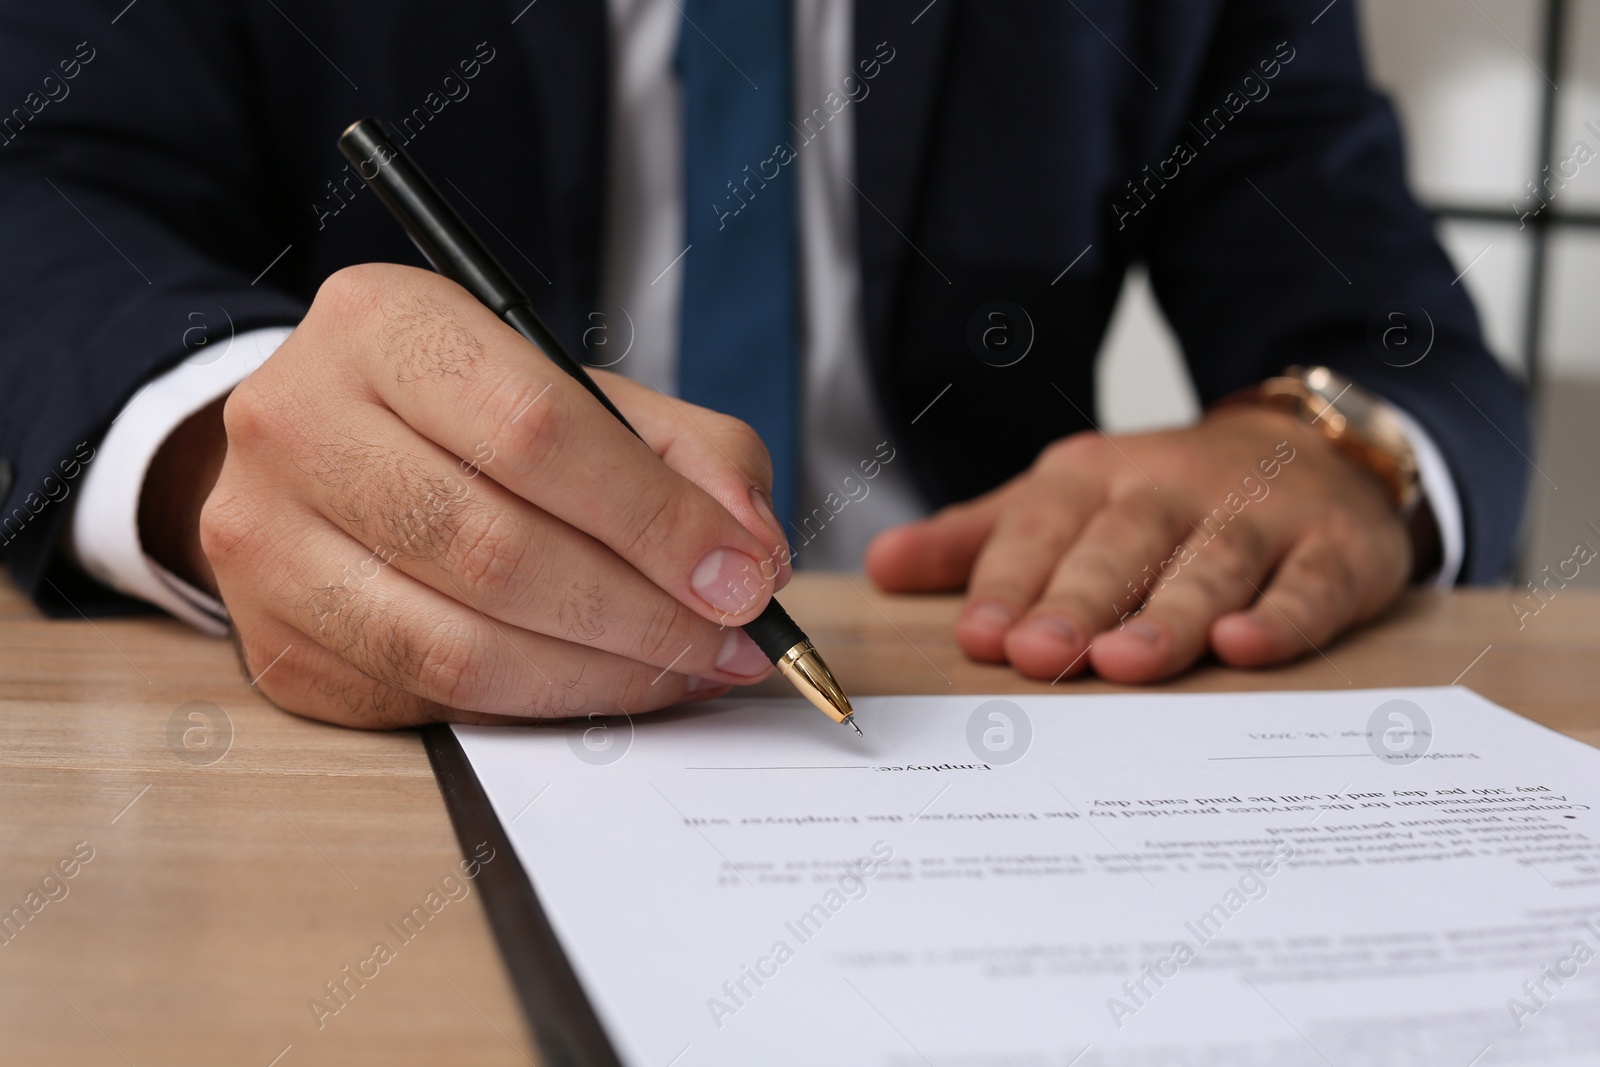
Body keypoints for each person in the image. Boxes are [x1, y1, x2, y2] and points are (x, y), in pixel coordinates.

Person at [0, 0, 1527, 729]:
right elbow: (38, 204)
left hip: (990, 674)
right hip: (376, 756)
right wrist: (215, 430)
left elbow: (1397, 337)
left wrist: (1333, 443)